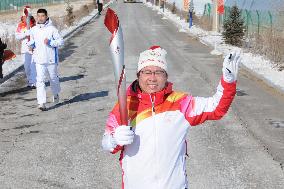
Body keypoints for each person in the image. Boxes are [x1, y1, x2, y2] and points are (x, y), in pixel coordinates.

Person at [101, 46, 241, 189]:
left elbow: (216, 107)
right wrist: (114, 139)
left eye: (159, 72)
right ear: (139, 75)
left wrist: (228, 81)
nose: (152, 78)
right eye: (147, 72)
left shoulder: (180, 102)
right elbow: (106, 143)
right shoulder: (126, 105)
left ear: (166, 76)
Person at [28, 8, 64, 111]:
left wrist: (50, 42)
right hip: (39, 60)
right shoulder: (34, 29)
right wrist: (31, 46)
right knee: (40, 81)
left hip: (51, 59)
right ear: (36, 17)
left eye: (42, 16)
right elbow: (32, 41)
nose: (40, 18)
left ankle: (56, 93)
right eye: (38, 16)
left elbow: (61, 41)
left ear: (46, 16)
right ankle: (41, 103)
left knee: (53, 79)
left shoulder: (52, 29)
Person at [15, 6, 37, 88]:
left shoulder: (35, 25)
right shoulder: (20, 25)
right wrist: (25, 34)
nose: (26, 18)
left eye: (28, 17)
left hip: (34, 49)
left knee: (34, 66)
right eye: (25, 17)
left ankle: (33, 82)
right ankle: (30, 80)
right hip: (25, 49)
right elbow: (17, 36)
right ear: (23, 17)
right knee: (27, 67)